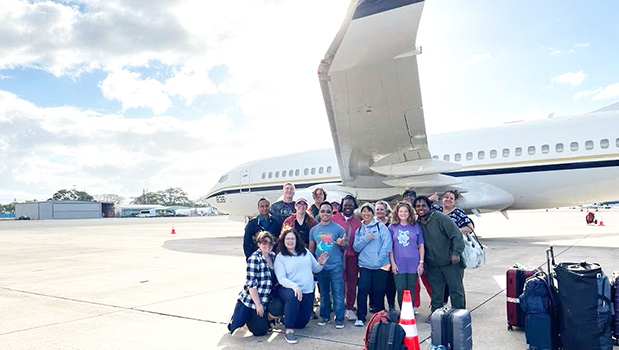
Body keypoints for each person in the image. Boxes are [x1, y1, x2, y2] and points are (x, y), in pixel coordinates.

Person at [413, 196, 465, 319]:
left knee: (456, 290)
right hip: (433, 265)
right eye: (418, 206)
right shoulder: (417, 224)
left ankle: (459, 316)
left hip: (450, 262)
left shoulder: (440, 218)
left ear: (429, 206)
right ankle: (437, 316)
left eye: (423, 205)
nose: (421, 208)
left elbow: (456, 235)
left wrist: (456, 253)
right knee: (436, 293)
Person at [274, 228, 328, 344]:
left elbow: (316, 268)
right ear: (283, 241)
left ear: (296, 240)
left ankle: (285, 317)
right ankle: (288, 331)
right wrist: (294, 286)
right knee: (292, 297)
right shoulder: (280, 257)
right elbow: (281, 278)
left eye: (292, 238)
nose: (290, 241)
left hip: (307, 290)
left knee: (302, 324)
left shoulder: (305, 252)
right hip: (288, 289)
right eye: (287, 239)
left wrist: (321, 263)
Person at [228, 232, 281, 336]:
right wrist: (258, 304)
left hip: (267, 298)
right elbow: (251, 285)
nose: (267, 246)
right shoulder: (254, 259)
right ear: (259, 244)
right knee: (260, 331)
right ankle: (245, 320)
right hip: (253, 301)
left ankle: (265, 319)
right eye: (264, 243)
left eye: (270, 243)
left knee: (280, 306)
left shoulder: (273, 256)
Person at [353, 202, 392, 327]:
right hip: (365, 266)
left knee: (379, 292)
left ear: (372, 213)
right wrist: (366, 238)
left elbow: (387, 245)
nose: (366, 214)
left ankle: (380, 317)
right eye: (364, 211)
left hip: (380, 266)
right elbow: (356, 247)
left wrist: (378, 260)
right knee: (363, 290)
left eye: (369, 211)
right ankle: (360, 317)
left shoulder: (381, 227)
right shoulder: (359, 229)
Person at [309, 201, 346, 328]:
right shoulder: (314, 230)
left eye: (328, 211)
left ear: (332, 213)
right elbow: (311, 249)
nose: (325, 213)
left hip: (335, 266)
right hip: (321, 267)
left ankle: (339, 318)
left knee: (337, 293)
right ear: (319, 213)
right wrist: (313, 266)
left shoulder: (339, 228)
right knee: (324, 294)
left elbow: (345, 244)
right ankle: (325, 317)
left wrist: (343, 243)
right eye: (323, 211)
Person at [389, 202, 425, 308]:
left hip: (413, 263)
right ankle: (403, 311)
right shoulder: (392, 227)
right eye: (401, 211)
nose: (403, 213)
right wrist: (393, 263)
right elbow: (390, 247)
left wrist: (421, 263)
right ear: (397, 213)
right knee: (401, 289)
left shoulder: (415, 226)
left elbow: (421, 245)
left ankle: (410, 311)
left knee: (411, 289)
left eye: (405, 211)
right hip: (399, 263)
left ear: (409, 213)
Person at [332, 195, 362, 321]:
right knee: (338, 283)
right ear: (341, 206)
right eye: (345, 205)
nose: (348, 207)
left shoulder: (358, 222)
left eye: (350, 205)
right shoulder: (334, 219)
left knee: (351, 283)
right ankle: (339, 308)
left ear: (354, 206)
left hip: (352, 257)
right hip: (338, 256)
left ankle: (349, 308)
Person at [402, 189, 433, 310]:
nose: (409, 200)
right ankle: (414, 304)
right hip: (408, 256)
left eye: (411, 198)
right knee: (414, 284)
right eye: (407, 198)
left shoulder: (420, 217)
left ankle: (436, 303)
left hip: (423, 254)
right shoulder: (402, 217)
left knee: (428, 281)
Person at [375, 200, 396, 312]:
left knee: (390, 285)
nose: (379, 211)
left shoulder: (391, 225)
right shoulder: (372, 224)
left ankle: (391, 305)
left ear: (386, 211)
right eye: (377, 209)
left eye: (381, 209)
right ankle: (380, 308)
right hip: (376, 259)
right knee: (378, 286)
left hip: (389, 258)